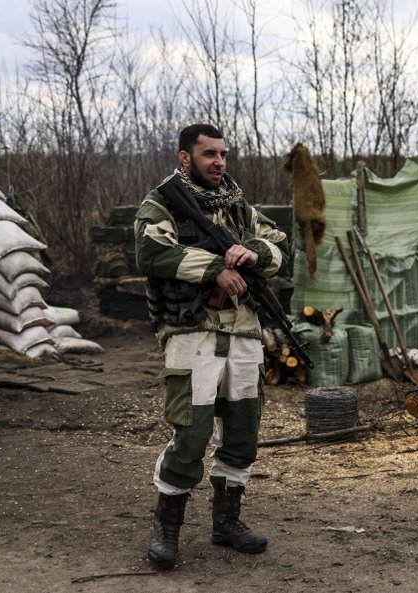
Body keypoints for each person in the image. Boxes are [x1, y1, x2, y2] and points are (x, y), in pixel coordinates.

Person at [134, 123, 289, 569]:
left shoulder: (238, 206)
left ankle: (227, 522)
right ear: (185, 157)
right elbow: (151, 253)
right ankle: (166, 528)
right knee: (192, 433)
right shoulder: (160, 202)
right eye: (208, 155)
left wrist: (253, 252)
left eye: (223, 154)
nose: (219, 162)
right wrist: (216, 268)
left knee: (243, 431)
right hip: (192, 331)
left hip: (242, 332)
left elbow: (279, 245)